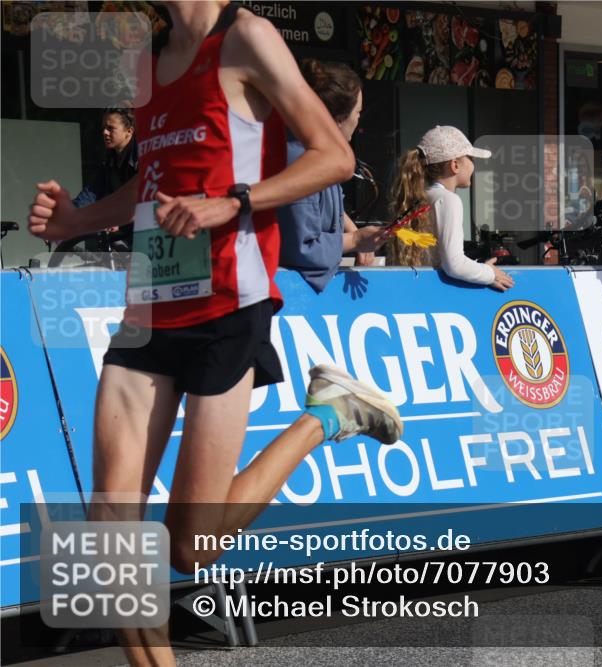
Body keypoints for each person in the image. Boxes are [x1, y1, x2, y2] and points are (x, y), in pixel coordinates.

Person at [27, 3, 401, 664]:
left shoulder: (246, 38)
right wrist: (73, 222)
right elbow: (152, 183)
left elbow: (335, 157)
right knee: (110, 531)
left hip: (231, 304)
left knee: (189, 544)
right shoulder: (142, 64)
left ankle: (323, 418)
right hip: (149, 309)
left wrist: (234, 200)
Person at [278, 59, 385, 293]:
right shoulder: (302, 161)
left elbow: (317, 205)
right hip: (290, 299)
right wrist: (355, 240)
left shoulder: (311, 153)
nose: (358, 119)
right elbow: (301, 247)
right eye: (357, 112)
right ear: (337, 119)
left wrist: (349, 226)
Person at [387, 125, 514, 291]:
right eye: (470, 158)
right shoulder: (449, 200)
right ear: (455, 165)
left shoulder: (418, 197)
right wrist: (489, 273)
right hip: (438, 293)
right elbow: (454, 264)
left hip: (415, 289)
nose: (474, 165)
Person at [72, 107, 139, 250]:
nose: (104, 132)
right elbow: (90, 194)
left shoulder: (144, 155)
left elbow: (147, 199)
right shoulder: (109, 160)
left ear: (129, 131)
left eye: (110, 128)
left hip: (144, 234)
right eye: (103, 128)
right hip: (122, 237)